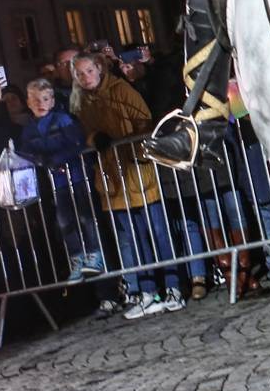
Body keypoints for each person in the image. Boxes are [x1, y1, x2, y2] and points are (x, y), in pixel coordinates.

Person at [76, 54, 188, 317]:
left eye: (89, 70)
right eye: (80, 74)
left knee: (158, 232)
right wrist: (95, 138)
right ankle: (148, 291)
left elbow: (144, 120)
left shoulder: (121, 90)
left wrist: (124, 140)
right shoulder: (84, 102)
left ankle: (173, 286)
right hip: (113, 178)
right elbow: (85, 132)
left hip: (136, 170)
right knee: (134, 239)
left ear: (99, 69)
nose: (85, 77)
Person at [18, 79, 104, 278]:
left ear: (52, 101)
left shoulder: (62, 120)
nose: (40, 103)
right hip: (57, 182)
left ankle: (94, 254)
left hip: (77, 176)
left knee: (86, 217)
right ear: (28, 102)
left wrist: (55, 159)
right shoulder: (29, 129)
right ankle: (76, 258)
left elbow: (78, 143)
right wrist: (38, 159)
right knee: (64, 221)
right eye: (35, 99)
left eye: (45, 99)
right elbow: (25, 151)